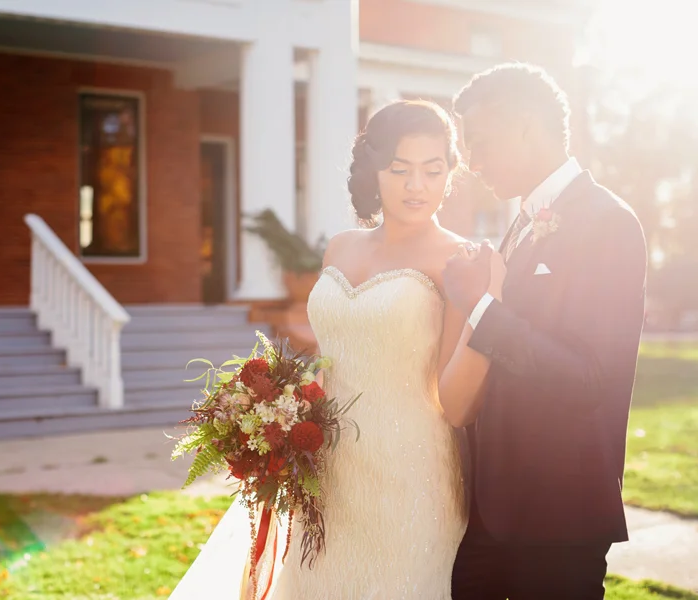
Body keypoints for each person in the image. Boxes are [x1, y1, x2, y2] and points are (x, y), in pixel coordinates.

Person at [439, 63, 648, 599]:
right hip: (491, 513)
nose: (470, 162)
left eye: (479, 143)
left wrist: (479, 306)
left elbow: (586, 379)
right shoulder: (520, 221)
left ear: (527, 127)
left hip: (559, 520)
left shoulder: (610, 222)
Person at [270, 99, 470, 599]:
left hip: (411, 474)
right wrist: (278, 411)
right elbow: (332, 352)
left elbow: (455, 397)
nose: (416, 185)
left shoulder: (459, 260)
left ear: (450, 172)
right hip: (327, 474)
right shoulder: (340, 247)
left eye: (433, 169)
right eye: (399, 169)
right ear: (374, 171)